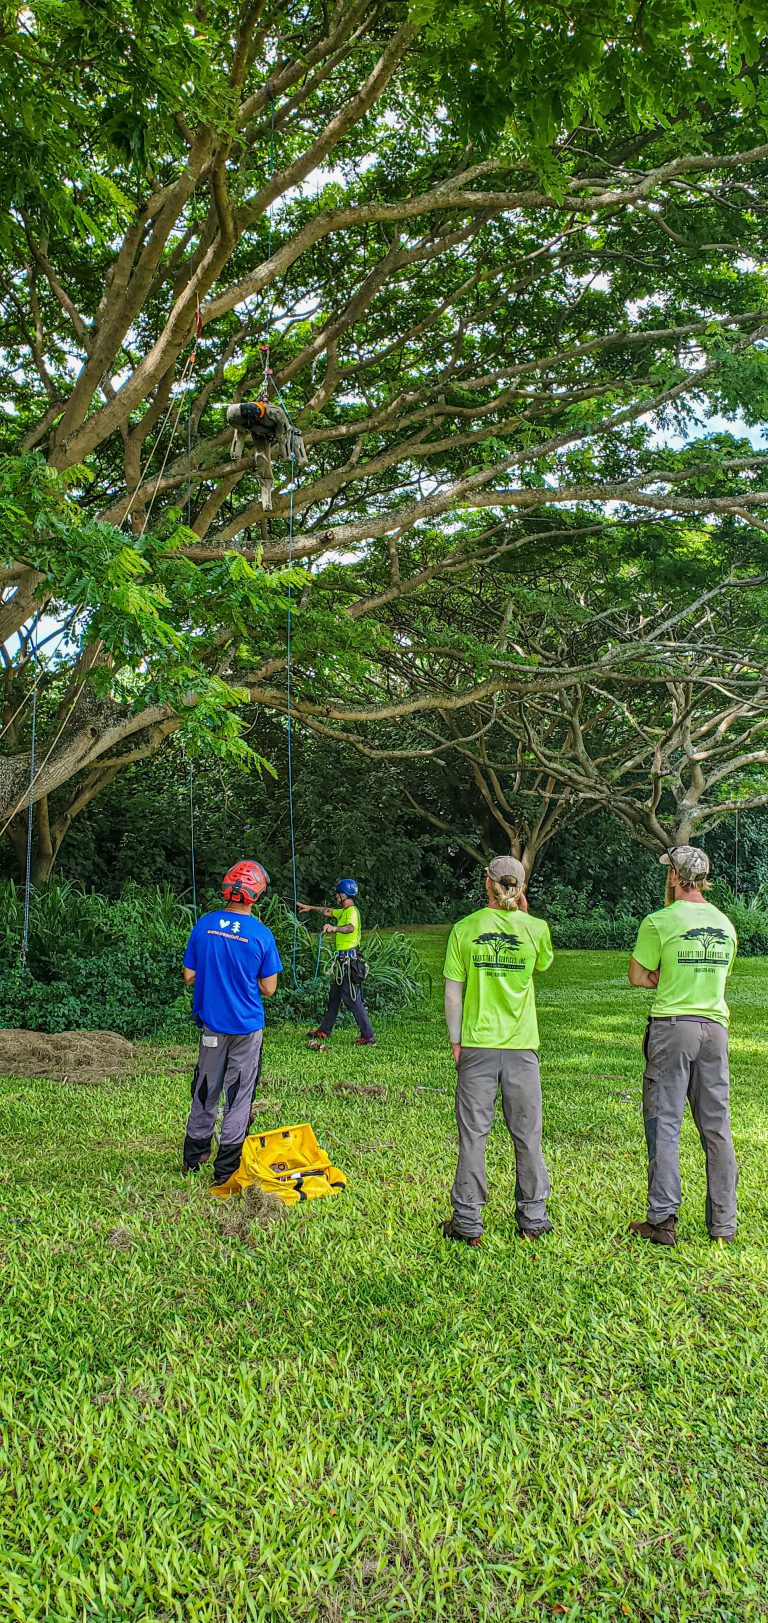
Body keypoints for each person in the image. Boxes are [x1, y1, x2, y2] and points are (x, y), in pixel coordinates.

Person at [628, 844, 738, 1246]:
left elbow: (638, 976)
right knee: (716, 1127)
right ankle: (723, 1225)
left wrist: (669, 975)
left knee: (664, 1122)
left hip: (674, 1029)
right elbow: (718, 977)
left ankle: (662, 1221)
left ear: (674, 876)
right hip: (715, 1029)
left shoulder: (659, 921)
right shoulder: (725, 924)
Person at [441, 855, 554, 1246]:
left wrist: (456, 1042)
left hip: (477, 1044)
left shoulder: (465, 929)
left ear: (487, 882)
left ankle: (468, 1222)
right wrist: (524, 915)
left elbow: (453, 995)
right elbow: (543, 965)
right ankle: (533, 1218)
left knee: (473, 1136)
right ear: (521, 888)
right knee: (528, 1135)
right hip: (522, 1048)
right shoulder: (536, 929)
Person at [182, 860, 282, 1185]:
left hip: (212, 1025)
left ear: (227, 890)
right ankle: (226, 1169)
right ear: (257, 895)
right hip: (247, 1028)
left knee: (205, 1086)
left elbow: (189, 975)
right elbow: (269, 988)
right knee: (238, 1092)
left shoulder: (205, 925)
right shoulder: (261, 934)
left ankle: (194, 1157)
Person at [297, 878, 376, 1047]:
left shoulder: (352, 912)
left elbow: (350, 928)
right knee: (334, 997)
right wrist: (310, 907)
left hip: (349, 962)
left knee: (352, 999)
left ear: (343, 895)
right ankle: (325, 1030)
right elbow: (327, 911)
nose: (336, 897)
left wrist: (334, 928)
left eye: (338, 894)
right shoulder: (344, 911)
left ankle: (368, 1036)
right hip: (342, 962)